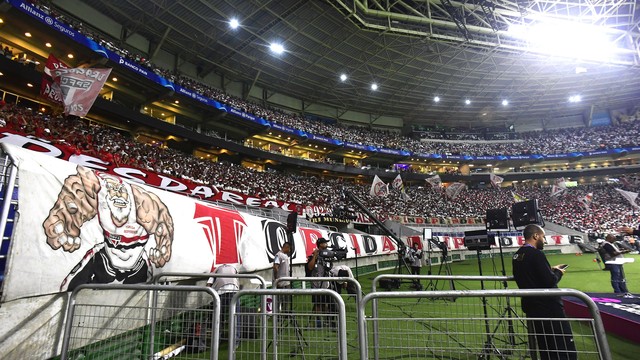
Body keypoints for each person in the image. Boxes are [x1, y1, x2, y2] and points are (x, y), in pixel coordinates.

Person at [512, 224, 577, 360]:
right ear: (536, 236)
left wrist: (550, 269)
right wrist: (558, 272)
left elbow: (529, 274)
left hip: (532, 307)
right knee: (561, 346)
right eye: (543, 236)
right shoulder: (536, 254)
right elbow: (549, 281)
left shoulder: (517, 254)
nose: (545, 240)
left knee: (545, 346)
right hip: (549, 308)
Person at [207, 264, 240, 342]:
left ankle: (218, 339)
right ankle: (235, 340)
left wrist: (212, 291)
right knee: (235, 317)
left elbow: (208, 285)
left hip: (220, 293)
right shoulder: (234, 267)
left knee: (218, 317)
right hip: (233, 291)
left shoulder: (215, 269)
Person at [306, 237, 332, 327]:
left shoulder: (328, 255)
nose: (326, 245)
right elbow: (310, 267)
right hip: (316, 284)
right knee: (317, 304)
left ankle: (327, 321)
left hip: (326, 283)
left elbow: (329, 267)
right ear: (320, 244)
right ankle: (318, 321)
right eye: (324, 243)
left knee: (325, 304)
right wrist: (315, 256)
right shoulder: (314, 255)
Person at [273, 241, 292, 311]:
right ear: (286, 247)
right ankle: (277, 314)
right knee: (279, 299)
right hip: (280, 281)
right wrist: (276, 279)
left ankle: (285, 311)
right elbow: (275, 267)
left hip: (287, 281)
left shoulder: (285, 256)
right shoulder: (278, 255)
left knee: (286, 299)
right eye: (289, 249)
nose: (289, 251)